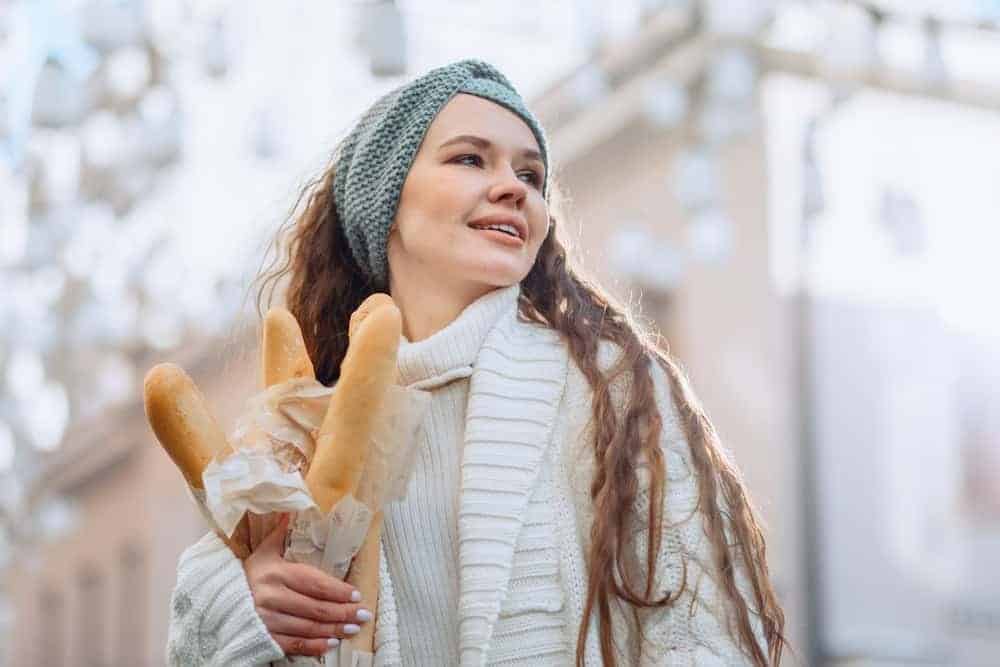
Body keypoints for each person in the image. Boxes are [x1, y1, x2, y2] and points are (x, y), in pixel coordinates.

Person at [166, 58, 787, 666]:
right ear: (385, 203)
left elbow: (700, 633)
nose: (514, 187)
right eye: (470, 158)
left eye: (532, 175)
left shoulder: (611, 388)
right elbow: (195, 631)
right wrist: (245, 608)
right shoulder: (301, 429)